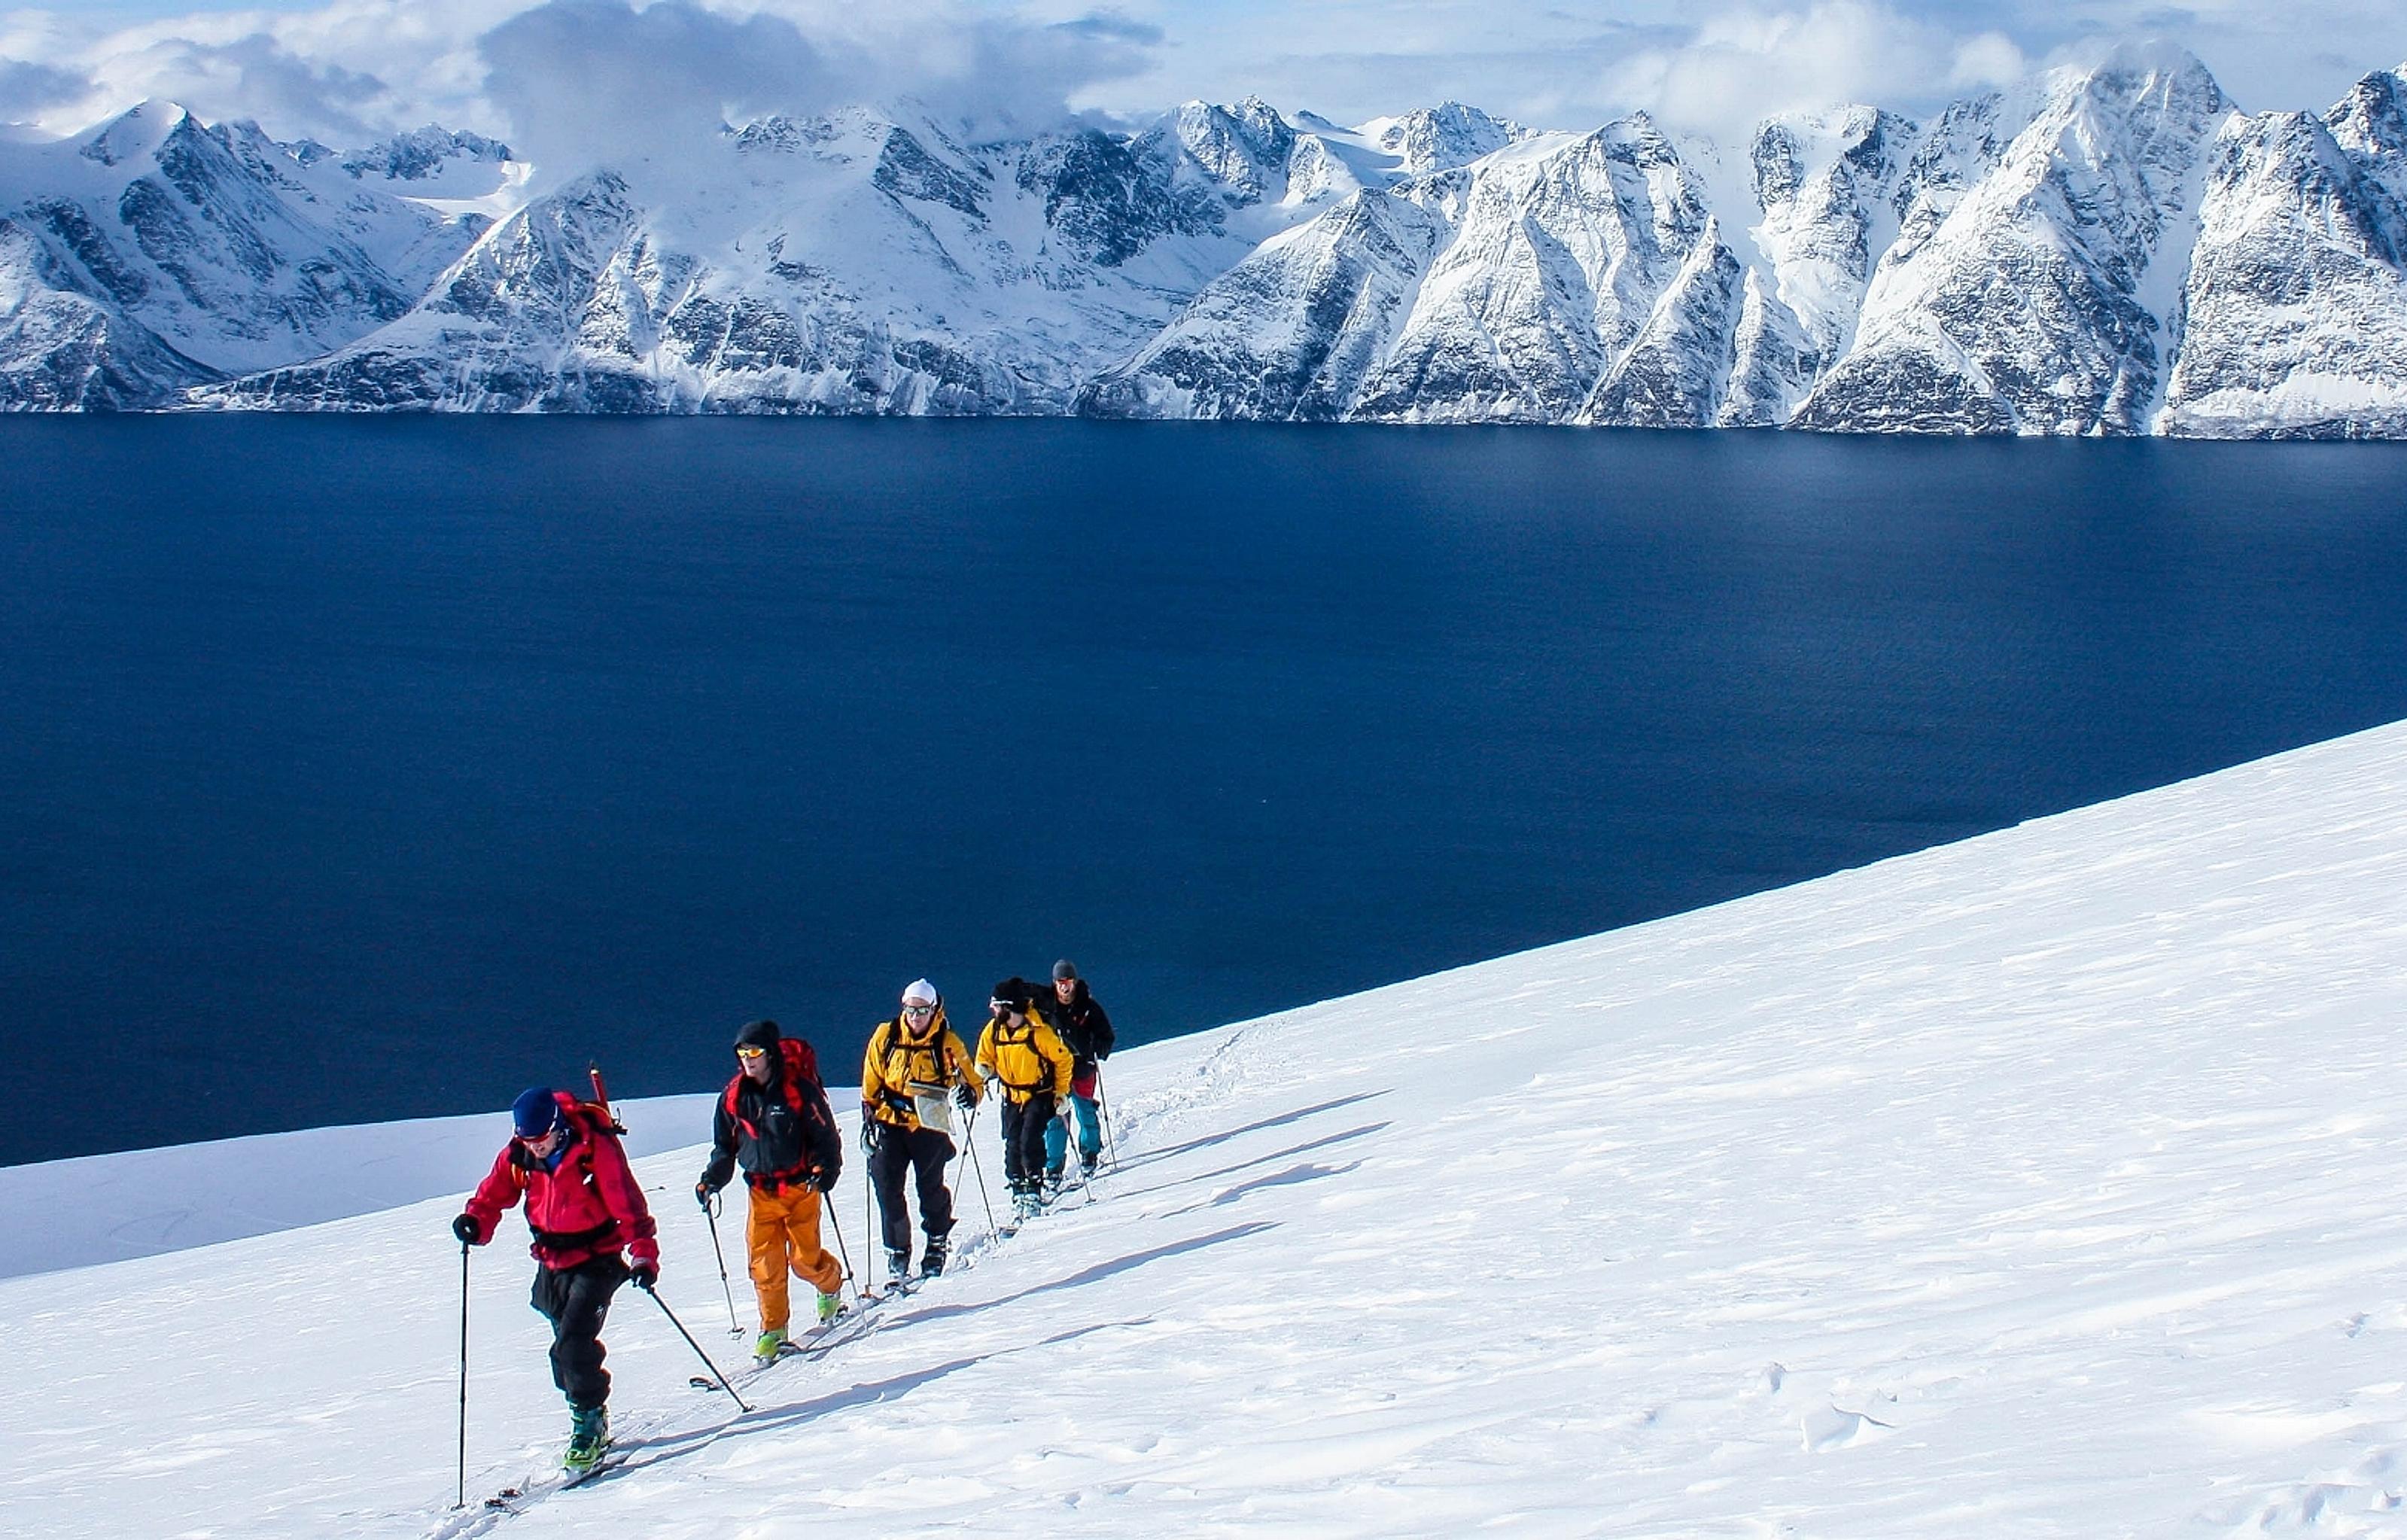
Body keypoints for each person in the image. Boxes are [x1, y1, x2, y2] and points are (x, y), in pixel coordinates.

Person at [453, 1085, 659, 1472]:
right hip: (551, 1261)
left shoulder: (593, 1149)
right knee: (563, 1348)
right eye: (527, 1139)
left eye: (541, 1138)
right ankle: (588, 1408)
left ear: (557, 1125)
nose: (535, 1146)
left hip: (597, 1259)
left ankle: (589, 1425)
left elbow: (627, 1202)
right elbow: (494, 1193)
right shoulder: (520, 1154)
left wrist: (644, 1254)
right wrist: (476, 1221)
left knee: (573, 1343)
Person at [695, 1019, 846, 1364]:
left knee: (804, 1260)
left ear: (771, 1053)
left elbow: (825, 1136)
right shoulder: (733, 1096)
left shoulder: (799, 1091)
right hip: (761, 1194)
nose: (748, 1059)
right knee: (765, 1265)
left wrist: (826, 1169)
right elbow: (725, 1146)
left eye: (755, 1052)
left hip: (800, 1188)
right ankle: (773, 1330)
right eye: (742, 1053)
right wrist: (712, 1180)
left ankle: (831, 1284)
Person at [861, 978, 981, 1281]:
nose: (915, 1017)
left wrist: (970, 1094)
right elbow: (872, 1075)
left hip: (930, 1124)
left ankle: (937, 1241)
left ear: (934, 1010)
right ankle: (897, 1250)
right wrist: (869, 1114)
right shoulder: (886, 1036)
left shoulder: (947, 1043)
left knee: (930, 1187)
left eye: (922, 1010)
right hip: (890, 1121)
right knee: (887, 1186)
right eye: (910, 1009)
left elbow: (971, 1080)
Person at [972, 977, 1073, 1221]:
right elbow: (984, 1057)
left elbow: (1063, 1059)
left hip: (1038, 1095)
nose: (993, 1009)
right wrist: (982, 1072)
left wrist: (1060, 1093)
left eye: (997, 1005)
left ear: (1009, 1007)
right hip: (1010, 1095)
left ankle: (1033, 1189)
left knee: (1029, 1141)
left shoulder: (1038, 1032)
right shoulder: (993, 1031)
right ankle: (1018, 1188)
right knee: (1012, 1142)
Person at [1038, 960, 1115, 1193]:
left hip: (1082, 1068)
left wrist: (1097, 1049)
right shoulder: (1047, 1009)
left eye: (1068, 981)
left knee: (1085, 1111)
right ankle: (1053, 1167)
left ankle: (1090, 1152)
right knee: (1056, 1118)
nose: (1065, 986)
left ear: (1075, 982)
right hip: (1055, 1072)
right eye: (1060, 982)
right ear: (1054, 983)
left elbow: (1106, 1035)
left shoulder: (1089, 1007)